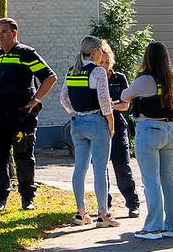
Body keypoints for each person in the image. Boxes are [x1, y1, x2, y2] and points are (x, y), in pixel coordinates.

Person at [0, 17, 57, 211]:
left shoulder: (26, 54)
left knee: (24, 156)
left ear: (14, 33)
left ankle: (27, 198)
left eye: (4, 32)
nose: (0, 35)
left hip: (21, 117)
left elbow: (49, 77)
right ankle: (0, 198)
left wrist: (36, 99)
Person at [119, 41, 173, 240]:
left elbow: (125, 95)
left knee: (151, 180)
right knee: (168, 179)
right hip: (171, 129)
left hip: (150, 130)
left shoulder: (145, 79)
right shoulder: (172, 78)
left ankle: (153, 227)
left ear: (147, 58)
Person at [58, 36, 118, 228]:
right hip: (96, 122)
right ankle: (103, 214)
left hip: (77, 123)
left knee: (80, 168)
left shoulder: (72, 70)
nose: (103, 54)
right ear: (94, 52)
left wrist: (75, 112)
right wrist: (111, 122)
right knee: (100, 169)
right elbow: (104, 100)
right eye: (101, 50)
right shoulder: (98, 71)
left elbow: (63, 98)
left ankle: (81, 212)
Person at [104, 61, 140, 217]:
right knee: (101, 168)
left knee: (122, 166)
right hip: (100, 126)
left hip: (118, 126)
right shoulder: (94, 77)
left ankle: (132, 203)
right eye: (101, 62)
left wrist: (108, 106)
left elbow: (125, 105)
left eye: (107, 61)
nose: (105, 65)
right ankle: (104, 204)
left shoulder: (119, 78)